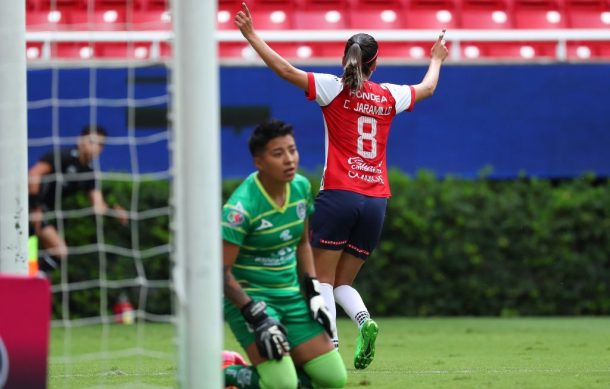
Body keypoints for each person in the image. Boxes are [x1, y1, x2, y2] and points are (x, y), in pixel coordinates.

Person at [235, 2, 449, 370]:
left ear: (346, 59)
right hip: (376, 200)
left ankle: (330, 345)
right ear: (375, 65)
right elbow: (428, 88)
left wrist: (252, 35)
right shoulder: (389, 95)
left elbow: (285, 69)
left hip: (338, 195)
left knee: (319, 279)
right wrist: (437, 58)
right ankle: (365, 321)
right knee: (342, 283)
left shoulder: (332, 88)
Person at [222, 120, 347, 389]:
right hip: (248, 300)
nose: (289, 159)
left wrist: (313, 292)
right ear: (259, 161)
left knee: (334, 379)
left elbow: (303, 243)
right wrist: (256, 315)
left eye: (292, 150)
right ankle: (224, 372)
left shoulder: (300, 188)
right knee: (282, 385)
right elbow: (221, 275)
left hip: (290, 296)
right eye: (278, 154)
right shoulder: (240, 210)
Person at [28, 126, 128, 273]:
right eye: (92, 141)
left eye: (101, 144)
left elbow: (98, 206)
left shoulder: (89, 174)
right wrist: (34, 207)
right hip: (28, 206)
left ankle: (32, 279)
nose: (96, 148)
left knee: (58, 251)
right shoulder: (63, 156)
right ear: (80, 141)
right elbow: (33, 175)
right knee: (27, 247)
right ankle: (28, 279)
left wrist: (114, 211)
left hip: (42, 212)